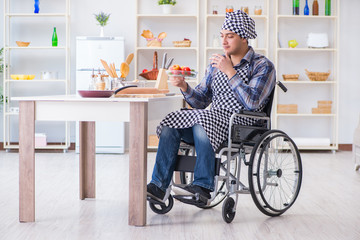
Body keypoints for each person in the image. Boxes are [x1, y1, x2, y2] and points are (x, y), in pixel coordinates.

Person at [147, 10, 276, 205]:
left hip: (243, 125)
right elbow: (200, 102)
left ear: (244, 38)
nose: (223, 41)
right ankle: (159, 186)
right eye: (222, 35)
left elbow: (253, 102)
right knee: (171, 122)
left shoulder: (262, 66)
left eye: (230, 36)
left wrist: (230, 72)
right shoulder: (216, 65)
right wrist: (184, 86)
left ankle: (203, 187)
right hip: (212, 122)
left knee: (202, 120)